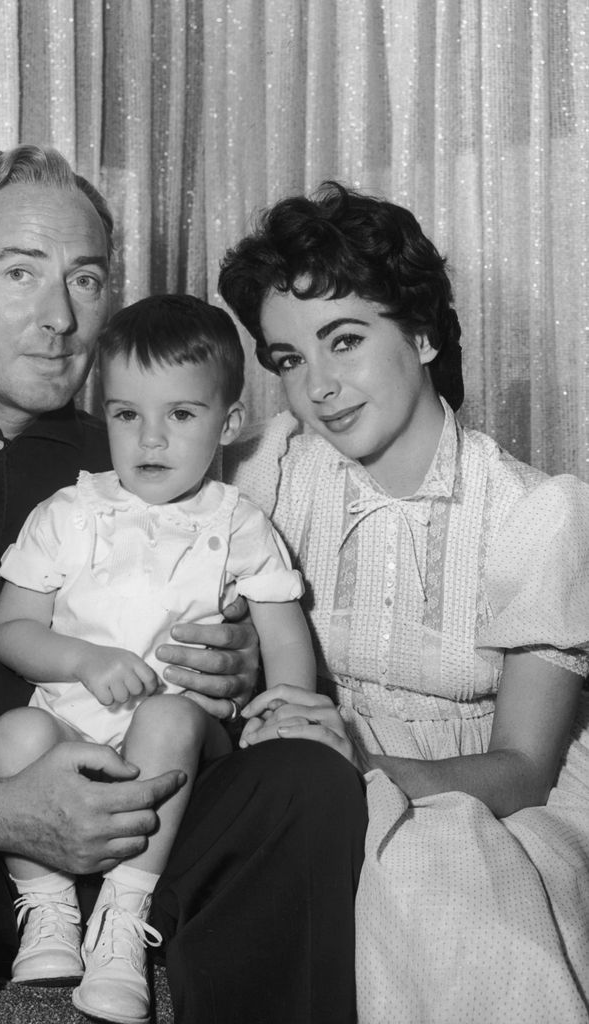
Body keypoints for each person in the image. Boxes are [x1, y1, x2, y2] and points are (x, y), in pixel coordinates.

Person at [0, 147, 366, 1024]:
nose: (57, 316)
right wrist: (8, 815)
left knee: (304, 786)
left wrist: (235, 675)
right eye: (19, 272)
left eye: (85, 280)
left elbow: (233, 643)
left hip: (144, 824)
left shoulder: (136, 457)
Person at [215, 182, 589, 1023]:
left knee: (438, 857)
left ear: (420, 332)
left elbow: (524, 769)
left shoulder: (532, 511)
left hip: (486, 801)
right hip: (304, 788)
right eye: (287, 360)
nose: (316, 386)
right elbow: (135, 440)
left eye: (342, 340)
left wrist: (359, 770)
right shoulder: (268, 468)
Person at [0, 293, 316, 1023]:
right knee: (11, 734)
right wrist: (80, 660)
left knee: (168, 712)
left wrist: (285, 711)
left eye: (181, 415)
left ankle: (120, 923)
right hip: (75, 727)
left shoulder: (236, 520)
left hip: (181, 742)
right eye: (127, 414)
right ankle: (47, 911)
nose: (151, 440)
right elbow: (10, 627)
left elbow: (283, 631)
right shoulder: (68, 513)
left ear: (227, 423)